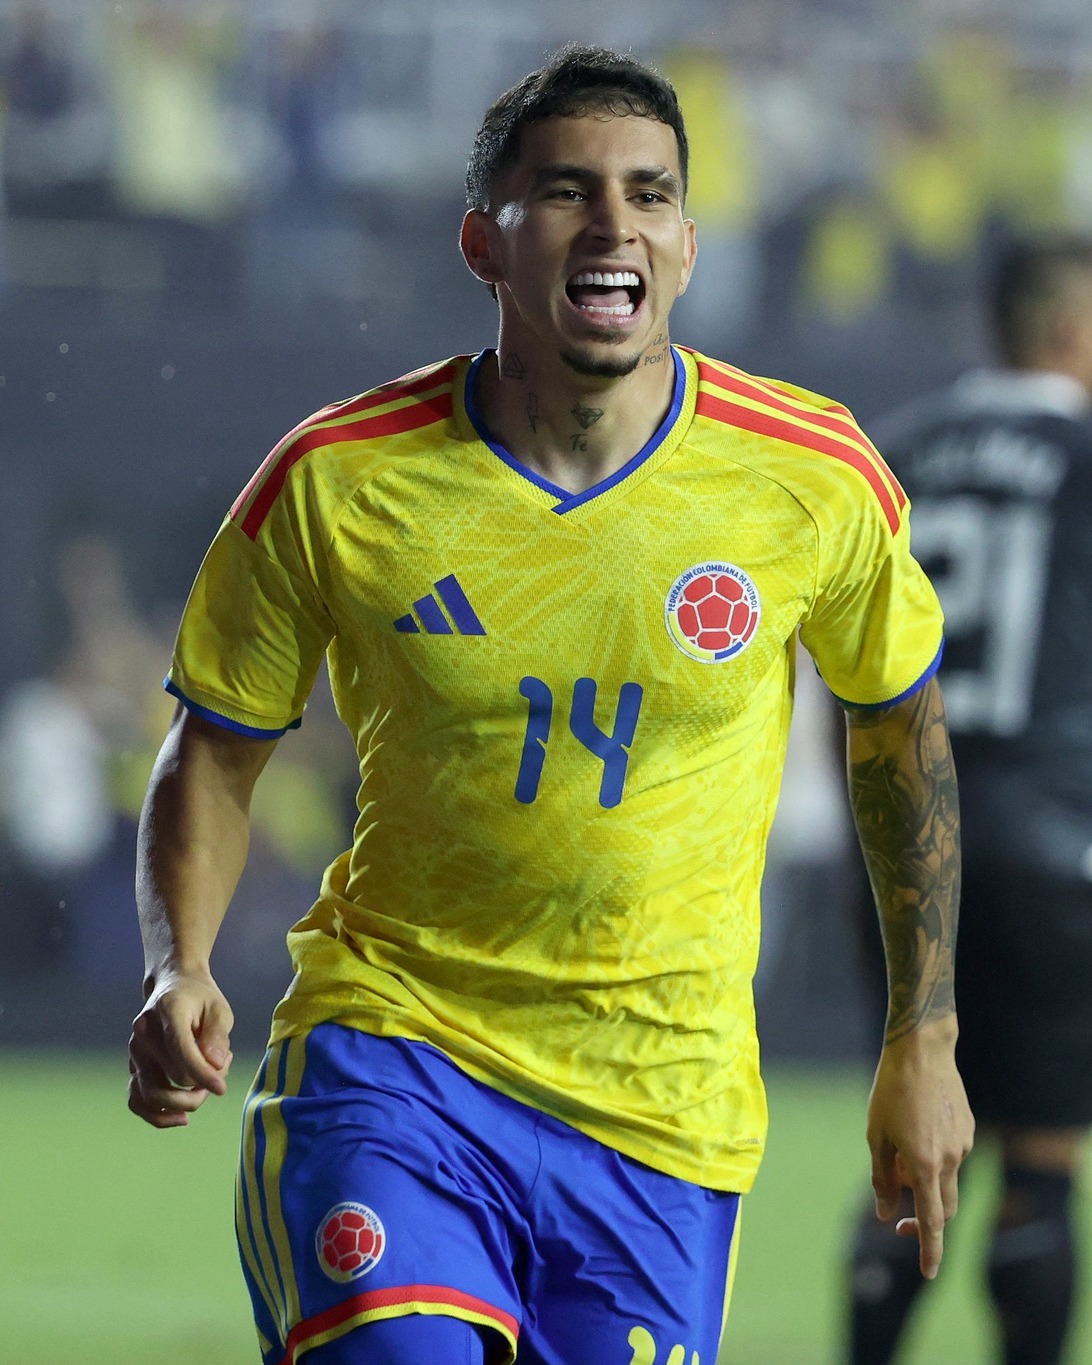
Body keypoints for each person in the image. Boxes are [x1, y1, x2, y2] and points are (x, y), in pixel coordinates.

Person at [127, 45, 973, 1365]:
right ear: (486, 239)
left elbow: (899, 729)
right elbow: (216, 743)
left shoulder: (811, 477)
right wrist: (180, 960)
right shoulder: (336, 480)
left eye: (649, 194)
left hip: (663, 1109)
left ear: (688, 244)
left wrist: (924, 1036)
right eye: (569, 191)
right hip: (399, 1053)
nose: (614, 223)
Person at [844, 234, 1092, 1365]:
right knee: (1040, 1162)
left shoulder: (896, 454)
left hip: (898, 844)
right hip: (1053, 844)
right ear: (1068, 331)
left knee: (910, 1136)